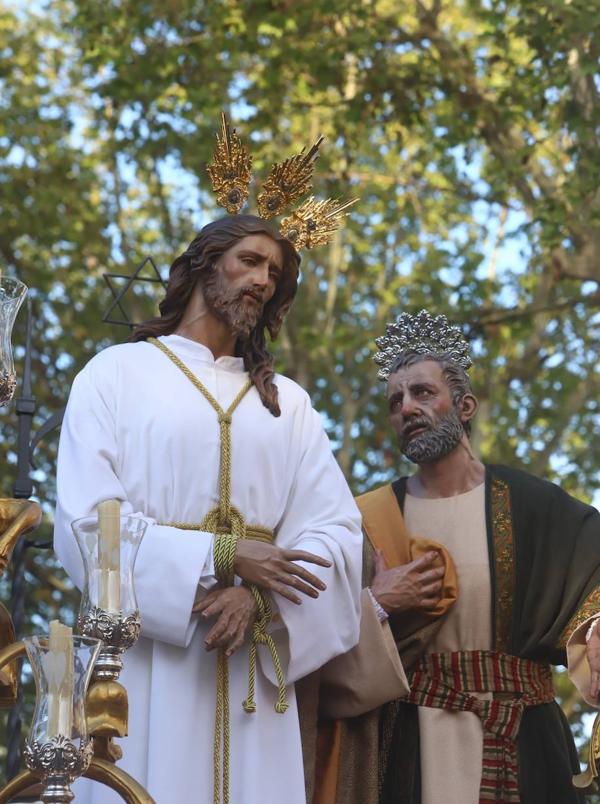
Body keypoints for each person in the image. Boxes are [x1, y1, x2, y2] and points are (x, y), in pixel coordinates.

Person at [54, 118, 362, 804]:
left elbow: (337, 536)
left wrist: (258, 599)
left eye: (274, 273)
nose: (261, 280)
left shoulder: (289, 406)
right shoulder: (117, 375)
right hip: (146, 662)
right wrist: (221, 555)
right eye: (249, 260)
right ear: (204, 262)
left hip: (250, 663)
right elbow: (84, 522)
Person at [309, 310, 600, 804]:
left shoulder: (533, 504)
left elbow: (591, 571)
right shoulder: (368, 520)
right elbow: (320, 642)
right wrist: (377, 600)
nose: (406, 408)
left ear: (465, 405)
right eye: (395, 401)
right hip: (410, 744)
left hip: (524, 734)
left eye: (423, 392)